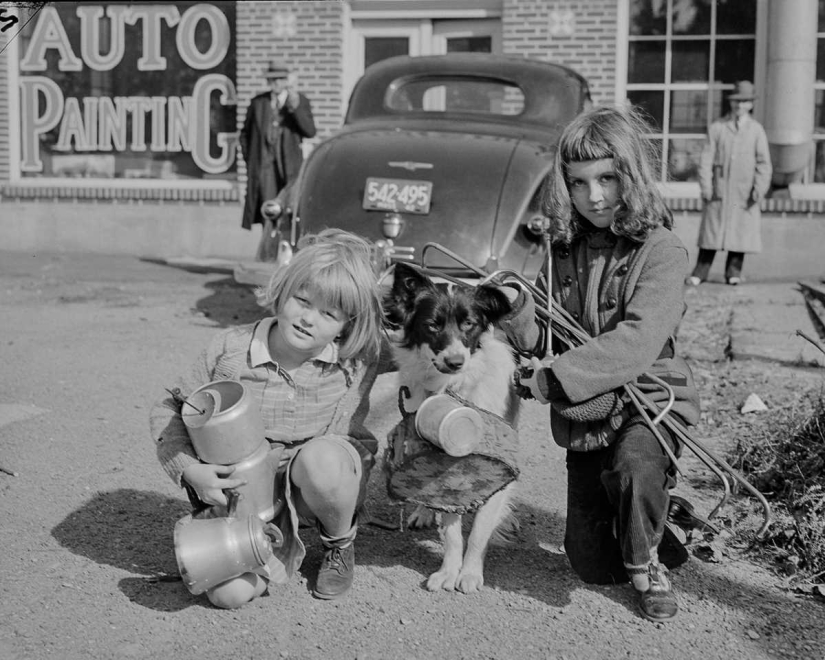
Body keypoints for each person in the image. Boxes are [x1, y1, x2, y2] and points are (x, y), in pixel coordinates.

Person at [498, 106, 701, 622]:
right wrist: (516, 310)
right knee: (589, 563)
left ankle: (649, 559)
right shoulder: (564, 249)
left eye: (608, 178)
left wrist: (553, 377)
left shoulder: (662, 250)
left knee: (635, 464)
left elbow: (635, 342)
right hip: (589, 409)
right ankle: (651, 513)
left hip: (650, 399)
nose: (595, 196)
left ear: (631, 175)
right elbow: (544, 330)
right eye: (579, 183)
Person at [149, 229, 388, 608]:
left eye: (329, 313)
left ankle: (339, 542)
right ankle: (270, 545)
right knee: (227, 595)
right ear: (283, 288)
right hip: (249, 498)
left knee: (322, 459)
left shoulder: (355, 360)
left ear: (348, 325)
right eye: (303, 300)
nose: (309, 319)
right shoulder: (230, 350)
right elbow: (170, 408)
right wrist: (189, 470)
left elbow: (428, 343)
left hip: (316, 482)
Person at [686, 80, 772, 286]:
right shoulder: (718, 128)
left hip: (743, 192)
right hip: (719, 190)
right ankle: (700, 272)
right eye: (736, 102)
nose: (739, 106)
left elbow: (764, 164)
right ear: (730, 103)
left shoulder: (756, 130)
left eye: (744, 102)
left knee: (740, 234)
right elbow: (706, 159)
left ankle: (733, 272)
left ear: (750, 104)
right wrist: (706, 186)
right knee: (711, 234)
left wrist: (758, 189)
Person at [239, 59, 316, 260]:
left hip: (289, 169)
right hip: (264, 168)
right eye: (272, 79)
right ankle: (267, 256)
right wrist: (252, 162)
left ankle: (289, 257)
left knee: (290, 212)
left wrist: (294, 106)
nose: (276, 83)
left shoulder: (299, 100)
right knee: (268, 211)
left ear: (286, 80)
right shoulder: (258, 103)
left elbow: (309, 131)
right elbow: (245, 135)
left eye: (280, 78)